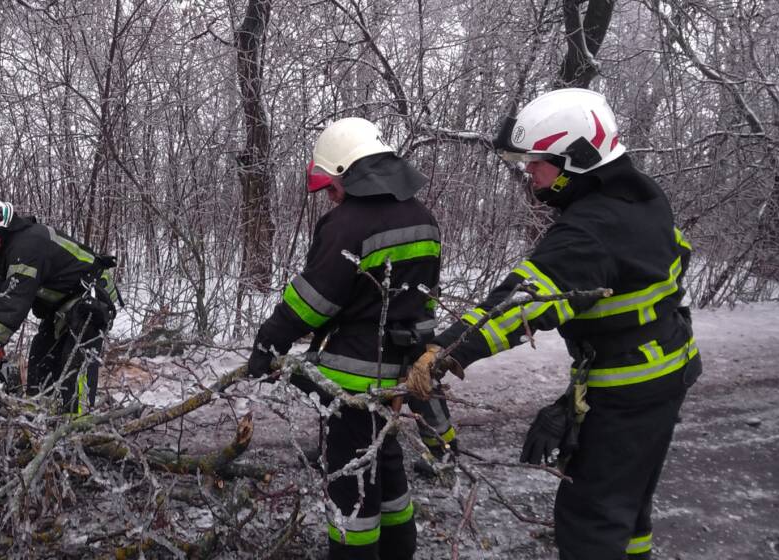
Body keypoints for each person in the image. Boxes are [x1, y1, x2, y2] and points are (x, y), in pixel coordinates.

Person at [406, 88, 699, 560]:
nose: (529, 173)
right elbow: (673, 259)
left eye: (537, 162)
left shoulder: (590, 229)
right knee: (630, 504)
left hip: (627, 389)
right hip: (664, 368)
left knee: (591, 518)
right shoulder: (641, 194)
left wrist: (445, 351)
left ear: (577, 159)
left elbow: (520, 304)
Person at [247, 117, 457, 560]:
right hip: (404, 378)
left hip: (353, 383)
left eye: (331, 185)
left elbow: (313, 301)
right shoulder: (424, 218)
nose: (330, 195)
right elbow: (425, 303)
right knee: (387, 467)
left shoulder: (347, 224)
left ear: (347, 169)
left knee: (351, 486)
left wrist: (269, 344)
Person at [0, 192, 119, 414]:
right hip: (62, 307)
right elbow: (2, 301)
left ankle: (80, 427)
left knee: (75, 363)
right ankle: (39, 419)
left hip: (91, 299)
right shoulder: (3, 255)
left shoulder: (28, 246)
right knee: (40, 361)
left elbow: (14, 306)